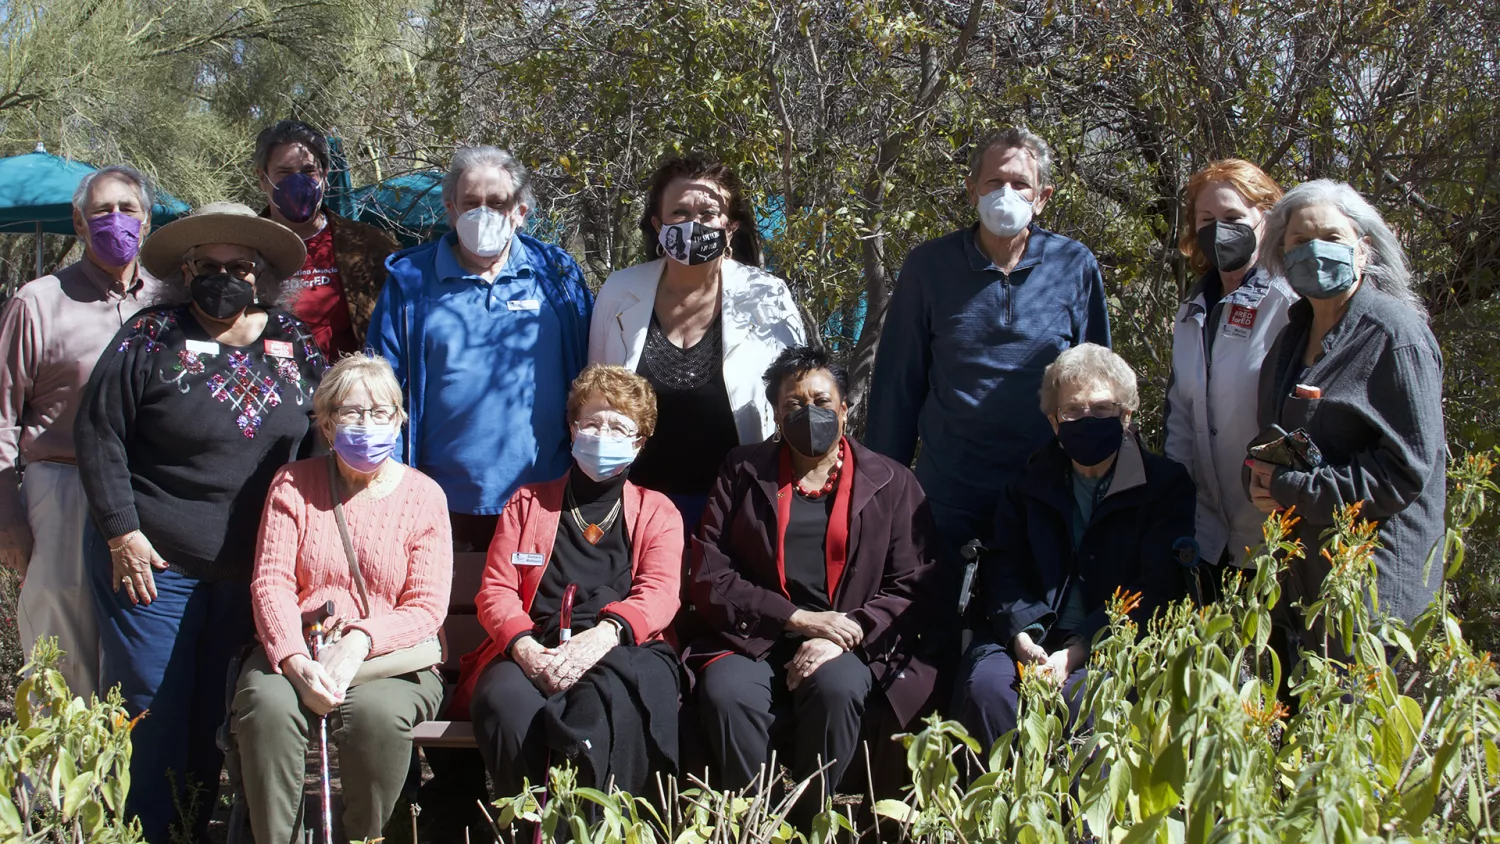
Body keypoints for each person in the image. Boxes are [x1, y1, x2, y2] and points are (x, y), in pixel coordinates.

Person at [75, 201, 324, 844]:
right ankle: (145, 832)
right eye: (205, 265)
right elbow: (99, 433)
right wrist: (120, 531)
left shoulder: (296, 344)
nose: (222, 276)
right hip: (153, 563)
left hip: (252, 574)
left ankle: (192, 826)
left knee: (217, 714)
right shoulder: (148, 335)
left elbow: (320, 449)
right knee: (152, 708)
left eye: (238, 265)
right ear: (183, 271)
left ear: (261, 272)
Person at [687, 346, 941, 824]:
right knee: (726, 692)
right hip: (756, 634)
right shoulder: (741, 471)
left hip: (849, 639)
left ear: (846, 407)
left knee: (839, 689)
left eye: (822, 401)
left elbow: (916, 582)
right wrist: (796, 618)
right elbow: (711, 572)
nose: (809, 413)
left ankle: (809, 821)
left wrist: (846, 631)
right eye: (793, 405)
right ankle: (754, 821)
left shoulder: (892, 481)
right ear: (776, 413)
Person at [865, 126, 1110, 617]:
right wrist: (880, 491)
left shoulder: (1073, 265)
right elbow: (897, 385)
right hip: (949, 494)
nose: (1006, 193)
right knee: (939, 632)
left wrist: (1100, 481)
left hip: (1045, 493)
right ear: (972, 188)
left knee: (1032, 632)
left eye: (1020, 184)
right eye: (994, 180)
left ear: (1042, 198)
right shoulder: (928, 266)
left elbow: (1098, 382)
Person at [231, 353, 450, 844]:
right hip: (301, 652)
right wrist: (291, 659)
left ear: (399, 420)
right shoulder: (292, 484)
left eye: (380, 413)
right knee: (266, 704)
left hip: (390, 663)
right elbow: (272, 582)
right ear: (327, 424)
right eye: (350, 412)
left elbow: (427, 605)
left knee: (375, 715)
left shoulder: (424, 496)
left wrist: (358, 641)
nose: (365, 424)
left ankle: (367, 836)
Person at [453, 364, 683, 802]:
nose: (603, 433)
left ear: (639, 442)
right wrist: (526, 650)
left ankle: (595, 828)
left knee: (601, 702)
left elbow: (660, 593)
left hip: (624, 648)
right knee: (503, 700)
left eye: (619, 426)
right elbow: (496, 590)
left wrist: (601, 637)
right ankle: (528, 827)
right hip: (534, 645)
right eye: (593, 422)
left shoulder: (658, 511)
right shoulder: (527, 503)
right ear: (573, 429)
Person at [954, 344, 1194, 749]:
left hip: (1114, 640)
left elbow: (1156, 587)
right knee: (988, 692)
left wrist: (1076, 652)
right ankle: (1001, 808)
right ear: (1053, 422)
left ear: (1127, 415)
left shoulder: (1165, 486)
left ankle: (1077, 812)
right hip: (1031, 634)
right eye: (1073, 411)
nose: (1088, 419)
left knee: (1084, 699)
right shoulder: (1027, 483)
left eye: (1102, 409)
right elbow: (1003, 571)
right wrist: (1023, 637)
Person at [1247, 180, 1445, 652]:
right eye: (1299, 241)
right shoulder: (1288, 340)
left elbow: (1404, 471)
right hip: (1305, 580)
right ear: (1281, 254)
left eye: (1332, 238)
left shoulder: (1393, 335)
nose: (1315, 251)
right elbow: (1275, 438)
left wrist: (1288, 488)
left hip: (1372, 587)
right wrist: (1255, 477)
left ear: (1363, 249)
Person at [369, 146, 593, 553]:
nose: (483, 212)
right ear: (451, 209)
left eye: (497, 202)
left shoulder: (557, 276)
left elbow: (593, 372)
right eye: (471, 203)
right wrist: (388, 487)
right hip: (439, 502)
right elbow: (381, 388)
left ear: (521, 212)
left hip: (546, 494)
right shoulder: (411, 282)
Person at [0, 165, 162, 697]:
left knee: (139, 655)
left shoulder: (167, 304)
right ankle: (54, 781)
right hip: (62, 492)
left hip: (149, 494)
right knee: (59, 659)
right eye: (101, 211)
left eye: (127, 209)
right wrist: (9, 517)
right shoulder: (37, 303)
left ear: (147, 218)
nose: (115, 221)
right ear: (78, 222)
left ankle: (136, 781)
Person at [589, 153, 805, 531]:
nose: (693, 225)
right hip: (634, 511)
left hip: (738, 511)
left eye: (707, 214)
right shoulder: (620, 291)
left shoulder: (766, 296)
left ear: (730, 227)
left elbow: (796, 396)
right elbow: (595, 393)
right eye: (679, 213)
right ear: (657, 225)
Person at [1164, 160, 1293, 577]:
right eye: (1207, 219)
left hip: (1277, 536)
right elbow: (1181, 418)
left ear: (1267, 218)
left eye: (1234, 217)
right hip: (1206, 538)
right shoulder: (1190, 311)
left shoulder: (1290, 302)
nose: (1219, 229)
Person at [253, 119, 399, 359]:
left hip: (346, 391)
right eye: (284, 173)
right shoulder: (245, 250)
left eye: (308, 171)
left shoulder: (368, 246)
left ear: (325, 175)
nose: (297, 183)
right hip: (273, 389)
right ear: (262, 178)